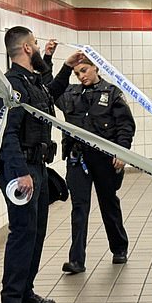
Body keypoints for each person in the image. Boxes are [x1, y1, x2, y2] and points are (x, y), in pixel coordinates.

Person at [0, 26, 84, 303]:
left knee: (36, 231)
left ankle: (25, 291)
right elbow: (7, 134)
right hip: (21, 168)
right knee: (22, 232)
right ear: (27, 49)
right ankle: (10, 300)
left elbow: (49, 94)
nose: (37, 46)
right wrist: (21, 174)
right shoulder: (12, 86)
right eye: (34, 42)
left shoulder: (31, 82)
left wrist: (67, 68)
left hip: (38, 167)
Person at [55, 58, 136, 274]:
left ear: (95, 68)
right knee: (79, 208)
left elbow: (125, 125)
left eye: (84, 70)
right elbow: (50, 91)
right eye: (77, 73)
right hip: (78, 158)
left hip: (104, 159)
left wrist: (122, 150)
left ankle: (119, 248)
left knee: (108, 203)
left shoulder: (111, 93)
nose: (82, 76)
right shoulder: (70, 94)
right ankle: (76, 261)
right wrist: (51, 59)